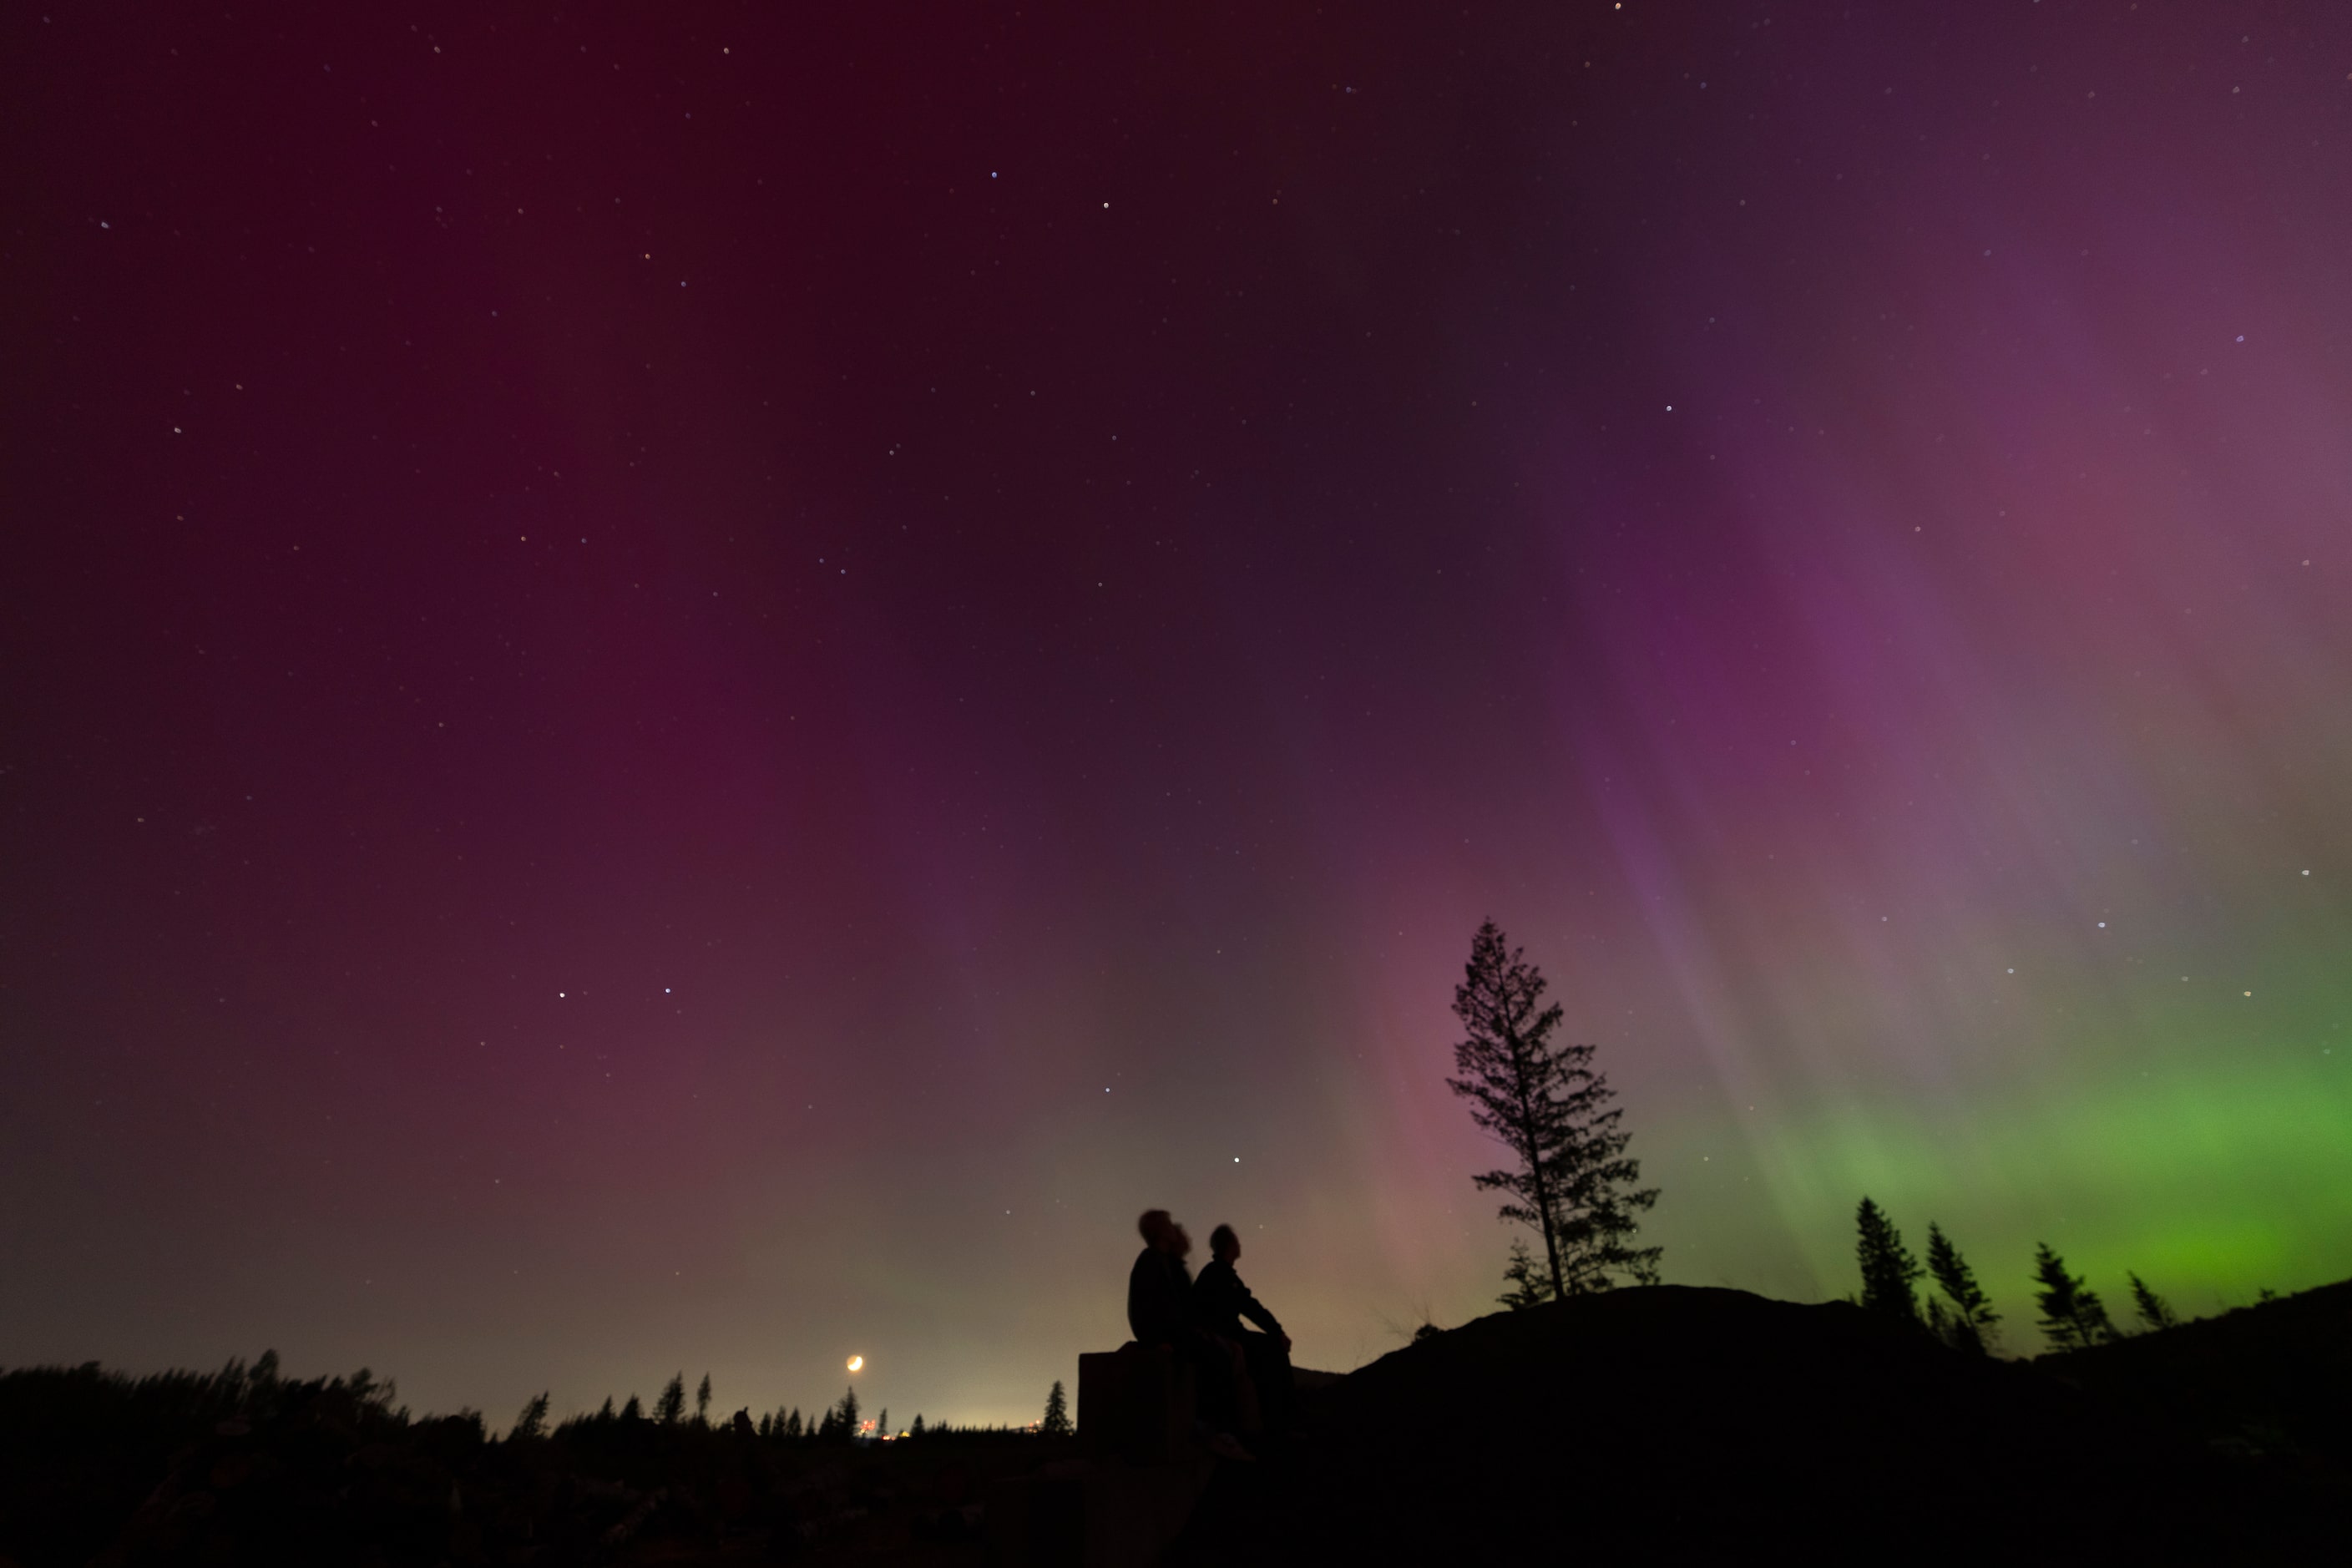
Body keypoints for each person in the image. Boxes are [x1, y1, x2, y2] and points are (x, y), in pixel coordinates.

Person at [1127, 1209, 1252, 1461]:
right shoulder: (1151, 1260)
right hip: (1169, 1336)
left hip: (1177, 1332)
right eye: (1169, 1224)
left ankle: (1224, 1432)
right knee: (1214, 1357)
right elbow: (1143, 1307)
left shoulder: (1164, 1263)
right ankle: (1213, 1433)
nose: (1175, 1227)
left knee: (1220, 1352)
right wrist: (1154, 1342)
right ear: (1161, 1231)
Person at [1193, 1223, 1296, 1436]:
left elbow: (1248, 1306)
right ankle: (1283, 1421)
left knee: (1266, 1352)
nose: (1240, 1245)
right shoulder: (1220, 1275)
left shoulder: (1219, 1274)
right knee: (1273, 1351)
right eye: (1237, 1241)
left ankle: (1278, 1420)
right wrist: (1277, 1333)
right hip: (1224, 1337)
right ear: (1230, 1245)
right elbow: (1250, 1307)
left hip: (1227, 1335)